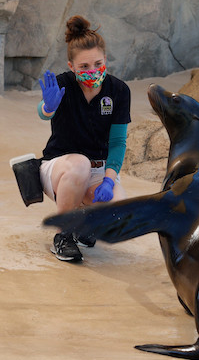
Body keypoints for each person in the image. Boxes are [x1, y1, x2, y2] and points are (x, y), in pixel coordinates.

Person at [37, 15, 131, 262]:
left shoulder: (119, 91)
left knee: (118, 211)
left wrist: (109, 181)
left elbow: (118, 143)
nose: (92, 71)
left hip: (99, 170)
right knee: (80, 163)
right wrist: (48, 107)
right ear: (71, 66)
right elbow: (43, 113)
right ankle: (63, 235)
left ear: (105, 60)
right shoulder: (62, 85)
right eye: (84, 67)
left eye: (97, 63)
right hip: (61, 169)